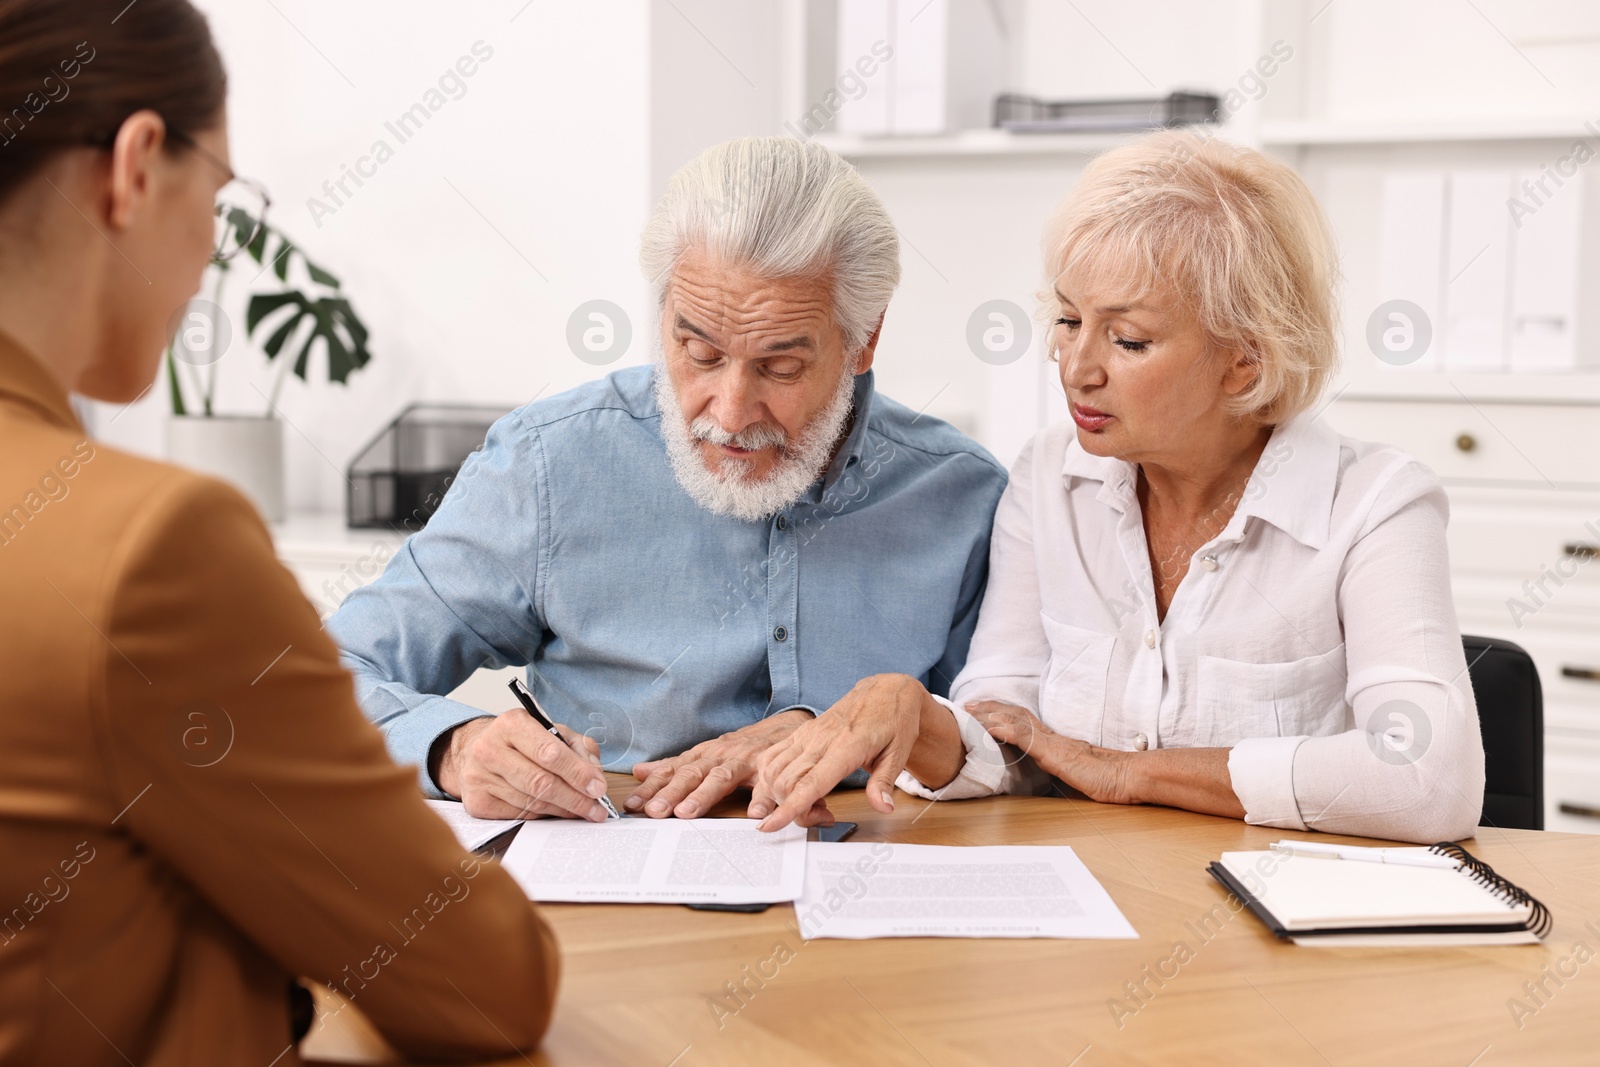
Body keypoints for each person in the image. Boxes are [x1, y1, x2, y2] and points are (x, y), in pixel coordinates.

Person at [0, 3, 557, 1063]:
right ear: (134, 167)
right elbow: (488, 984)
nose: (214, 246)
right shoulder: (150, 551)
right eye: (220, 196)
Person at [750, 130, 1487, 845]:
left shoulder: (1377, 504)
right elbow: (1001, 729)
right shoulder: (1049, 478)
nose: (1075, 366)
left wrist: (1129, 773)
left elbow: (1429, 775)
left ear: (1244, 361)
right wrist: (916, 713)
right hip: (1098, 910)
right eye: (1069, 320)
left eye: (1127, 339)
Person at [327, 136, 1006, 826]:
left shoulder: (963, 498)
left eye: (779, 366)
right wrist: (452, 748)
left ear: (864, 340)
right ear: (662, 316)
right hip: (620, 898)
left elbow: (1019, 747)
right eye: (700, 352)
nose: (731, 412)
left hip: (887, 898)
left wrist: (875, 730)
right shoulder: (549, 467)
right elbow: (317, 679)